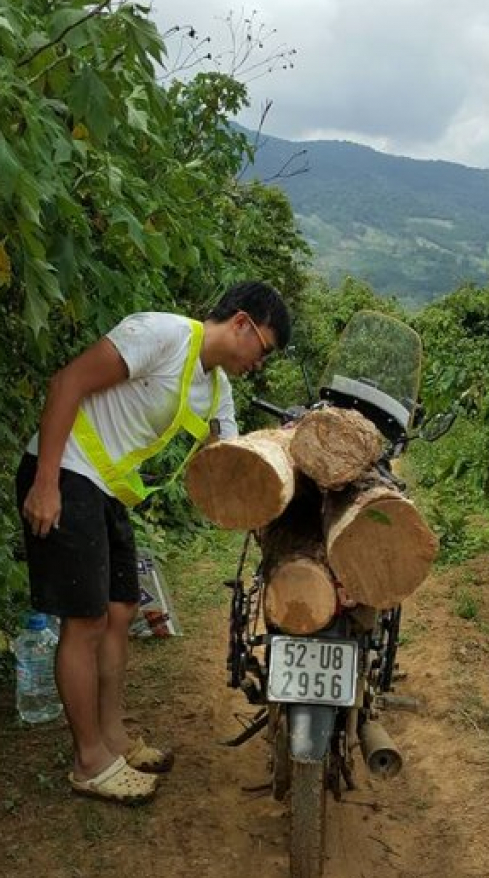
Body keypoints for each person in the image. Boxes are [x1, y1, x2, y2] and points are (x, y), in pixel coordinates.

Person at [16, 281, 291, 805]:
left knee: (120, 613)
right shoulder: (160, 334)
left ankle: (114, 738)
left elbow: (229, 460)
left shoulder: (217, 390)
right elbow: (67, 383)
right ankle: (89, 761)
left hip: (107, 493)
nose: (261, 363)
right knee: (86, 620)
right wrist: (46, 481)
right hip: (67, 473)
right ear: (241, 323)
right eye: (265, 348)